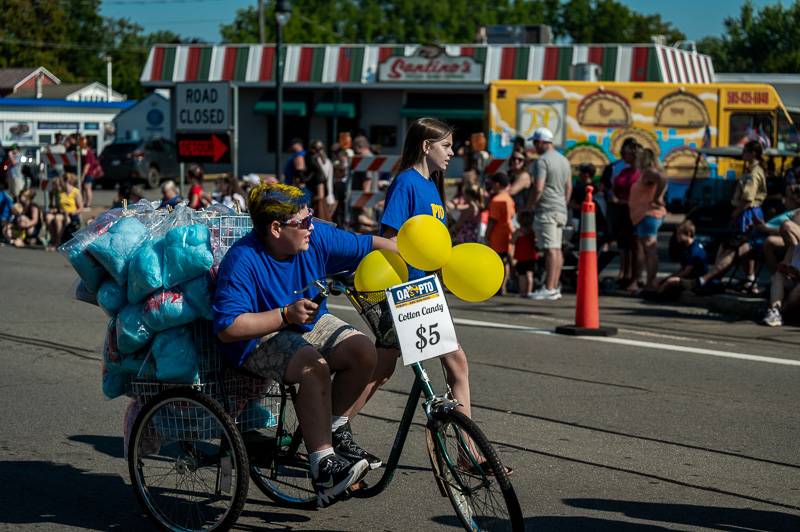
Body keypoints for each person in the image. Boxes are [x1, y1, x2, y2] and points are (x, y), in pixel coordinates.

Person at [213, 182, 398, 506]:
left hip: (305, 322)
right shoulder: (242, 260)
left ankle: (335, 429)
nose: (312, 226)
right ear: (275, 228)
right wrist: (285, 315)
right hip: (258, 336)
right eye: (304, 222)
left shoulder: (316, 238)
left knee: (363, 351)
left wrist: (417, 259)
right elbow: (229, 328)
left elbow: (370, 243)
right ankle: (324, 466)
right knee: (314, 366)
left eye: (311, 217)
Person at [377, 118, 478, 440]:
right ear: (426, 146)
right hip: (408, 292)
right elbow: (389, 238)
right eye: (446, 146)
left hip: (426, 290)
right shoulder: (406, 182)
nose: (452, 152)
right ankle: (332, 428)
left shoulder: (433, 185)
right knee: (378, 372)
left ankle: (468, 453)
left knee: (454, 363)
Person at [695, 140, 767, 294]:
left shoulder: (753, 174)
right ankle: (749, 279)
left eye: (745, 151)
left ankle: (715, 278)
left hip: (747, 213)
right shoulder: (753, 170)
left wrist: (736, 212)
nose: (742, 154)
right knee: (747, 248)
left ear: (753, 153)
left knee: (734, 246)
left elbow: (748, 198)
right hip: (751, 212)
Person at [527, 127, 572, 300]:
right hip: (561, 208)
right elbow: (569, 187)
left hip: (547, 209)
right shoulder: (564, 160)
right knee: (557, 249)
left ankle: (549, 287)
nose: (534, 146)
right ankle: (554, 286)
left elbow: (538, 187)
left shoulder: (542, 161)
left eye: (534, 143)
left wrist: (529, 206)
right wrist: (563, 203)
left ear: (540, 142)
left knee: (550, 249)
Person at [603, 138, 639, 285]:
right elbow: (609, 186)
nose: (625, 155)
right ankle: (623, 272)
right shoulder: (619, 168)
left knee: (634, 245)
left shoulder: (642, 172)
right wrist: (611, 195)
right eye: (624, 152)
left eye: (628, 153)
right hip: (620, 210)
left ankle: (634, 276)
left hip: (634, 211)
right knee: (622, 243)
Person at [628, 159, 667, 292]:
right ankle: (646, 282)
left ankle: (650, 284)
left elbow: (662, 178)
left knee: (650, 250)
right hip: (644, 216)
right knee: (646, 250)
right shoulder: (647, 174)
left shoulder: (649, 172)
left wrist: (656, 198)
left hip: (648, 215)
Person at [657, 220, 709, 296]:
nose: (676, 236)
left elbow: (686, 272)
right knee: (661, 280)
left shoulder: (694, 250)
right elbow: (682, 269)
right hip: (689, 277)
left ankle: (657, 296)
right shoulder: (686, 247)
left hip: (695, 280)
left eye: (679, 234)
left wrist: (669, 278)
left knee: (670, 281)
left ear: (688, 234)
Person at [485, 172, 516, 295]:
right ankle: (503, 286)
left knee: (497, 262)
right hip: (508, 233)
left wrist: (487, 235)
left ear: (497, 184)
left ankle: (498, 286)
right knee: (505, 261)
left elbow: (492, 220)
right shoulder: (509, 199)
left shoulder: (497, 200)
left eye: (492, 183)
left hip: (497, 236)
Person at [762, 243, 800, 327]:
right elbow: (785, 264)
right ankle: (775, 309)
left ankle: (781, 311)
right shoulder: (794, 247)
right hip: (793, 282)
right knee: (778, 276)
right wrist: (786, 269)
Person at [45, 174, 82, 251]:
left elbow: (81, 208)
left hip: (71, 214)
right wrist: (54, 209)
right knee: (48, 217)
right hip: (61, 212)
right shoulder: (61, 192)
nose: (61, 185)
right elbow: (58, 205)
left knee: (58, 218)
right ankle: (53, 240)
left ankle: (57, 243)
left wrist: (72, 212)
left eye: (62, 182)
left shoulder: (76, 192)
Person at [306, 139, 334, 221]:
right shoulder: (316, 159)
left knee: (323, 218)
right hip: (324, 193)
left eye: (320, 148)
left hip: (324, 194)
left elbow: (325, 178)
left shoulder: (324, 161)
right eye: (316, 148)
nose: (318, 151)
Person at [513, 210, 539, 298]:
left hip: (521, 257)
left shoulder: (518, 231)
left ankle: (523, 292)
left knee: (522, 275)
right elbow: (536, 242)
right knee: (529, 274)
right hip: (531, 256)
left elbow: (512, 241)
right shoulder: (533, 232)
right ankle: (529, 292)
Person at [80, 136, 102, 210]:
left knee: (87, 188)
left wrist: (83, 175)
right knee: (86, 188)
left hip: (88, 173)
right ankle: (86, 203)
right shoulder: (90, 152)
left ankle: (88, 204)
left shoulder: (88, 153)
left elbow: (87, 165)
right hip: (90, 173)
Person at [507, 149, 531, 215]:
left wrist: (495, 191)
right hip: (509, 210)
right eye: (514, 158)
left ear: (524, 162)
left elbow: (511, 191)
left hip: (520, 214)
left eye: (520, 159)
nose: (516, 161)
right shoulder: (510, 174)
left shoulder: (524, 175)